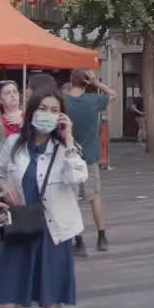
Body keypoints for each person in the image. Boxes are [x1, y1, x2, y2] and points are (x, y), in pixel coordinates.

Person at [0, 87, 88, 308]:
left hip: (53, 230)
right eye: (42, 108)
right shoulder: (14, 144)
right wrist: (2, 186)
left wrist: (69, 139)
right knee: (3, 307)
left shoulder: (66, 149)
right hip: (19, 226)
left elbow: (78, 177)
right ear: (31, 111)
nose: (47, 114)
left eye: (54, 109)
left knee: (51, 306)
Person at [61, 69, 116, 255]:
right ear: (86, 83)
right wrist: (96, 83)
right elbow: (112, 94)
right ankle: (102, 237)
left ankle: (79, 241)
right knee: (95, 197)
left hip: (69, 156)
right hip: (91, 156)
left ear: (71, 81)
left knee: (72, 200)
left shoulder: (63, 103)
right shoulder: (94, 101)